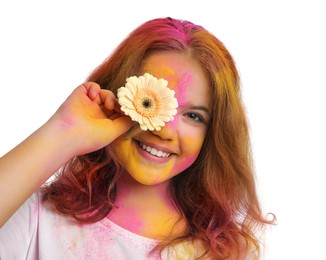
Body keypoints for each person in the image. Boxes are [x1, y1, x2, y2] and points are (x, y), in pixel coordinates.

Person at [0, 17, 274, 259]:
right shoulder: (39, 217)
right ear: (117, 93)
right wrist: (63, 131)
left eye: (193, 116)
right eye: (149, 102)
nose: (164, 130)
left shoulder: (228, 252)